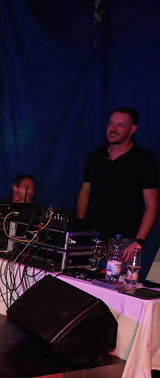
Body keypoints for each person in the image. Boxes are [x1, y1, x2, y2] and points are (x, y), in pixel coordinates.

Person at [76, 107, 160, 262]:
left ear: (132, 129)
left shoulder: (144, 160)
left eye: (121, 125)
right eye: (110, 123)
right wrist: (79, 225)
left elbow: (152, 204)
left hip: (124, 241)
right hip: (92, 237)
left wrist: (139, 241)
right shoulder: (95, 157)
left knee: (118, 277)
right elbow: (84, 192)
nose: (113, 129)